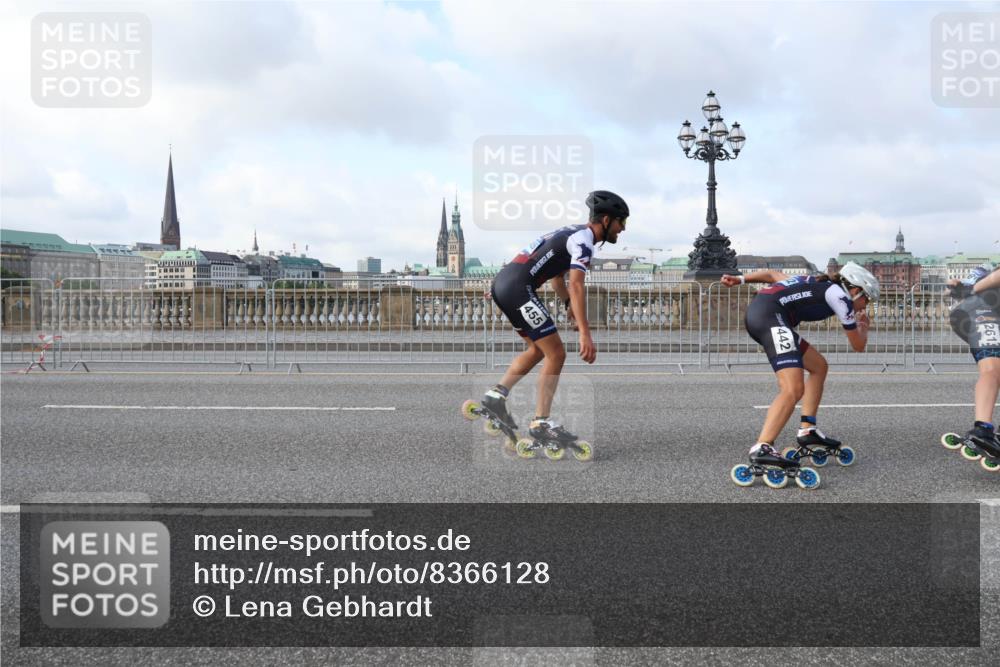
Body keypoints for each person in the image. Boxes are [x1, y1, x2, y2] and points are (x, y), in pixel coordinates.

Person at [478, 190, 629, 445]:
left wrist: (568, 303)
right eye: (621, 222)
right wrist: (585, 333)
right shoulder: (584, 241)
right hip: (518, 289)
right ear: (606, 220)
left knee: (538, 350)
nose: (622, 228)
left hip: (504, 284)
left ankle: (496, 397)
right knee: (556, 354)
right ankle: (541, 422)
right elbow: (577, 284)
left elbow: (557, 279)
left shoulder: (572, 232)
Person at [720, 262, 880, 470]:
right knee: (793, 388)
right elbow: (858, 345)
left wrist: (740, 280)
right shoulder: (841, 298)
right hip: (771, 320)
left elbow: (772, 275)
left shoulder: (815, 281)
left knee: (819, 366)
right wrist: (864, 325)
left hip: (766, 315)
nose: (866, 306)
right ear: (855, 291)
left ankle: (808, 428)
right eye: (867, 299)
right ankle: (762, 446)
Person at [945, 263, 1000, 466]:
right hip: (981, 310)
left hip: (985, 311)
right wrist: (970, 288)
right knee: (992, 369)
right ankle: (982, 429)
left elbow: (952, 285)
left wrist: (960, 286)